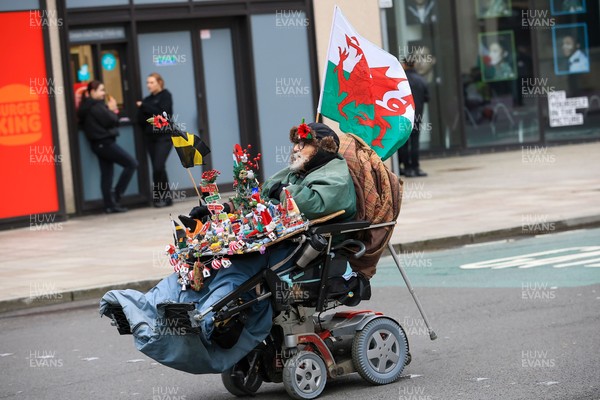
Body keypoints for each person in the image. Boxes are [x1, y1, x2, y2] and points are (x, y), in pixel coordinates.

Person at [100, 121, 357, 374]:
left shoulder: (334, 173)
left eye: (304, 143)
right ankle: (145, 305)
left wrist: (281, 193)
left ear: (322, 148)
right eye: (296, 143)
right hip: (273, 241)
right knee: (202, 265)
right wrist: (220, 210)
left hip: (303, 250)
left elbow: (317, 204)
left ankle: (201, 318)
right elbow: (255, 199)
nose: (297, 148)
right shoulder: (294, 172)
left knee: (236, 270)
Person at [78, 80, 138, 213]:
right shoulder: (94, 106)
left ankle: (110, 204)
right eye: (101, 90)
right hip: (103, 143)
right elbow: (111, 120)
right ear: (92, 92)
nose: (103, 93)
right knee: (131, 163)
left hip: (101, 143)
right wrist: (113, 109)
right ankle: (115, 197)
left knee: (107, 175)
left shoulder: (91, 105)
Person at [136, 73, 174, 207]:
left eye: (151, 82)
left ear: (159, 82)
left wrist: (144, 107)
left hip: (164, 137)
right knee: (158, 168)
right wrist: (146, 110)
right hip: (150, 138)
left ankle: (161, 197)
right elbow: (141, 119)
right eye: (147, 83)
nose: (148, 85)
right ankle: (163, 198)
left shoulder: (166, 95)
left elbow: (163, 114)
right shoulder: (147, 99)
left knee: (158, 166)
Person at [398, 58, 429, 177]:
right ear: (414, 64)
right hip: (417, 115)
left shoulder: (401, 79)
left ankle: (407, 168)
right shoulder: (421, 80)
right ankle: (415, 167)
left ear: (404, 65)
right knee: (415, 142)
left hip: (404, 115)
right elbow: (427, 97)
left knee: (404, 142)